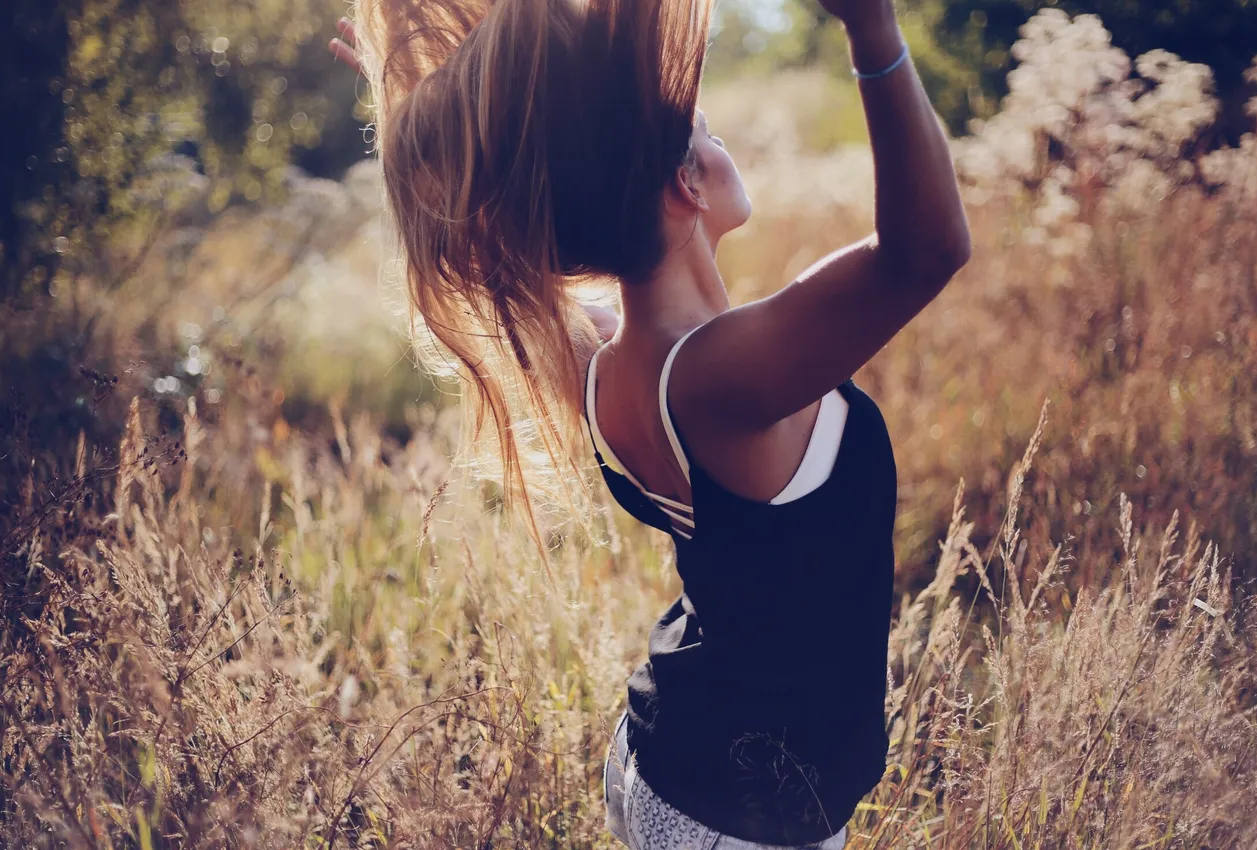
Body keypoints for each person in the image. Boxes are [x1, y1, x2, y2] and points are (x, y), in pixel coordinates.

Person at [332, 0, 969, 844]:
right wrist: (873, 30)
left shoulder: (599, 357)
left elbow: (532, 209)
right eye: (705, 129)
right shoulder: (715, 380)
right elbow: (924, 253)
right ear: (687, 182)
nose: (719, 139)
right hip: (739, 818)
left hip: (663, 763)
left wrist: (422, 111)